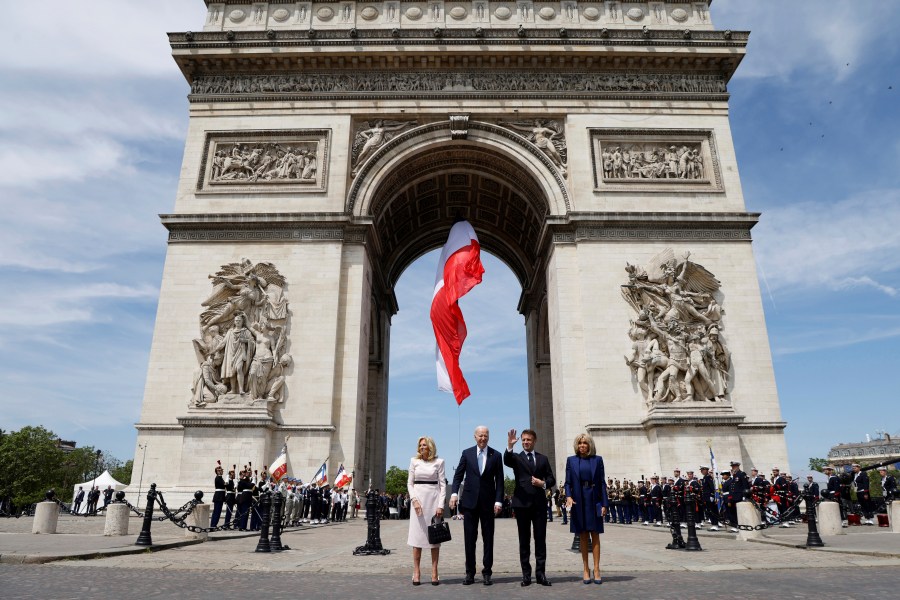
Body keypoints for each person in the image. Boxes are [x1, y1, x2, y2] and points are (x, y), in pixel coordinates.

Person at [450, 426, 504, 586]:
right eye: (480, 435)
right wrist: (454, 493)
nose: (483, 438)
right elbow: (458, 475)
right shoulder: (466, 454)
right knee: (469, 539)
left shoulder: (496, 455)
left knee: (488, 539)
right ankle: (470, 573)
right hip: (469, 503)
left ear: (489, 437)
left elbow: (499, 481)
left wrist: (498, 500)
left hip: (488, 503)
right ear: (475, 437)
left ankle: (487, 572)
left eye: (486, 435)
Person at [504, 428, 556, 587]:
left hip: (539, 505)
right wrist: (510, 446)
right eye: (523, 440)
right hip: (522, 505)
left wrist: (543, 484)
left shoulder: (543, 458)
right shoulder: (517, 458)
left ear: (534, 441)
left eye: (529, 440)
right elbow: (506, 460)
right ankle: (526, 575)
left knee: (540, 541)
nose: (526, 442)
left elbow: (551, 479)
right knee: (524, 541)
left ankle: (541, 574)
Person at [564, 433, 608, 585]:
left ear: (590, 445)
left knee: (595, 534)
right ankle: (585, 568)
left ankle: (596, 569)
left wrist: (604, 504)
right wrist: (568, 497)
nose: (582, 445)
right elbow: (567, 482)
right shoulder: (571, 460)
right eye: (580, 443)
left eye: (585, 443)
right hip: (578, 500)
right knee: (582, 535)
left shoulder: (598, 460)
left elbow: (602, 483)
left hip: (594, 500)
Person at [407, 436, 447, 586]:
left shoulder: (439, 462)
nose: (422, 447)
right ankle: (416, 571)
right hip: (417, 502)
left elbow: (443, 485)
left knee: (434, 538)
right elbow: (409, 483)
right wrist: (414, 500)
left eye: (424, 445)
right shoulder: (414, 461)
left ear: (430, 447)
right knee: (417, 539)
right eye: (420, 445)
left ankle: (434, 571)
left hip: (433, 501)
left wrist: (441, 505)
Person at [210, 463, 226, 527]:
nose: (222, 471)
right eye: (220, 470)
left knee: (218, 512)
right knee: (217, 512)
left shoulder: (220, 478)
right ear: (217, 472)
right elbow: (224, 484)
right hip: (218, 497)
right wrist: (227, 479)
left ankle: (214, 524)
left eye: (222, 470)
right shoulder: (218, 478)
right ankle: (213, 525)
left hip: (220, 497)